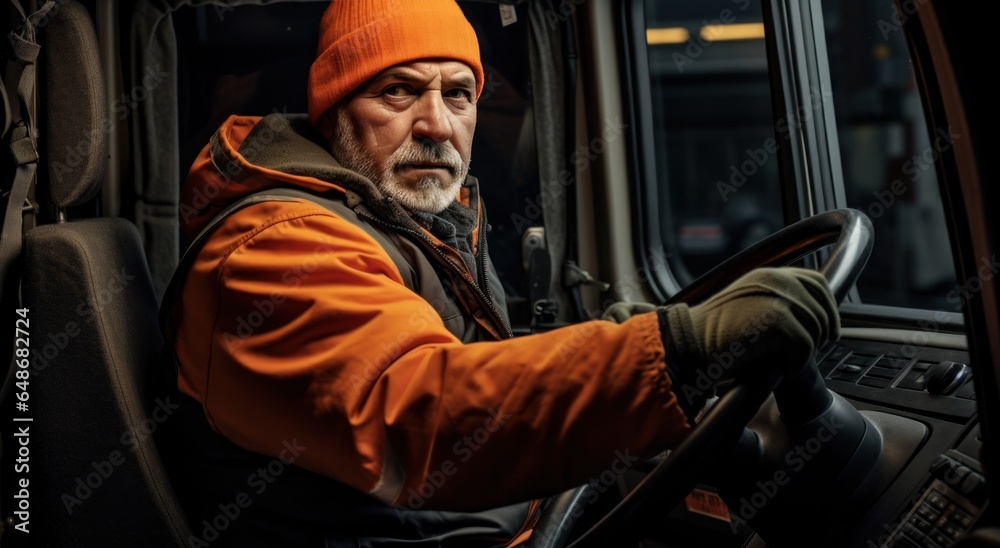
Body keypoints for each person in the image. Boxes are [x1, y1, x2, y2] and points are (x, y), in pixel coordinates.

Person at [158, 0, 840, 546]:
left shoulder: (414, 220)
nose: (436, 124)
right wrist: (677, 350)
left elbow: (471, 373)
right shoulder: (277, 249)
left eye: (459, 95)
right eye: (398, 92)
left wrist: (619, 342)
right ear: (335, 109)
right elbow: (424, 417)